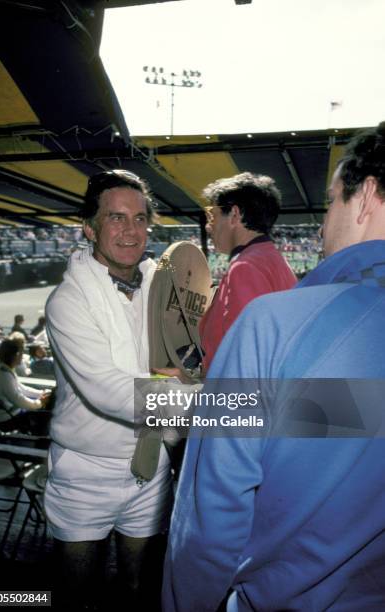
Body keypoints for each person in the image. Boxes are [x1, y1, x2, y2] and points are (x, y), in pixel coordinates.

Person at [163, 122, 385, 611]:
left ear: (366, 197)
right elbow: (347, 418)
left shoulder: (264, 303)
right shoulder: (278, 268)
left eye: (331, 202)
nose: (324, 224)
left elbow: (212, 514)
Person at [44, 170, 174, 610]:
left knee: (140, 590)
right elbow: (109, 392)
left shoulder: (162, 288)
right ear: (90, 227)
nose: (131, 230)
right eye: (116, 218)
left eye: (140, 219)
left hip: (151, 465)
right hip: (85, 473)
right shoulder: (67, 300)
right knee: (75, 597)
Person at [199, 172, 296, 373]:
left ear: (234, 215)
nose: (209, 227)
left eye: (212, 216)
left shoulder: (245, 268)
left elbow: (246, 359)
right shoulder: (269, 259)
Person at [0, 338, 50, 432]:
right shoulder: (4, 375)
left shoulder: (2, 369)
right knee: (42, 415)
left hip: (5, 413)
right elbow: (19, 400)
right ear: (14, 356)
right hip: (7, 418)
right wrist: (40, 403)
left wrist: (41, 393)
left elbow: (22, 389)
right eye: (20, 353)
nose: (22, 356)